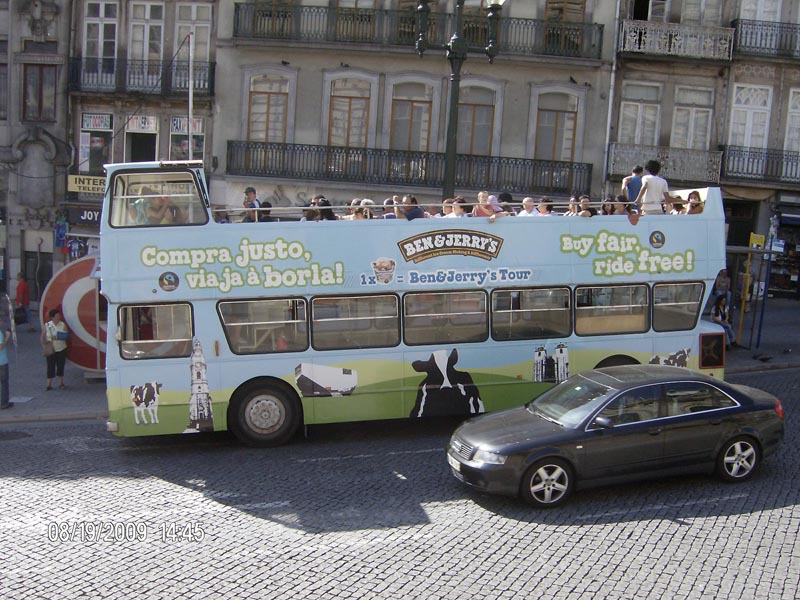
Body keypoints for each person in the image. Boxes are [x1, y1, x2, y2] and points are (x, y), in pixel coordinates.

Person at [42, 308, 69, 390]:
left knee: (60, 365)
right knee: (50, 366)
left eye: (59, 315)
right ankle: (49, 384)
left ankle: (60, 383)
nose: (59, 317)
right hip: (51, 349)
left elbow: (67, 335)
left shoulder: (63, 325)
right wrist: (44, 346)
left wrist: (58, 336)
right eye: (57, 316)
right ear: (52, 317)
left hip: (61, 348)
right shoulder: (47, 325)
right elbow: (43, 336)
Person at [0, 315, 11, 409]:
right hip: (2, 361)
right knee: (4, 383)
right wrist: (7, 337)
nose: (2, 323)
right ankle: (4, 402)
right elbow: (0, 347)